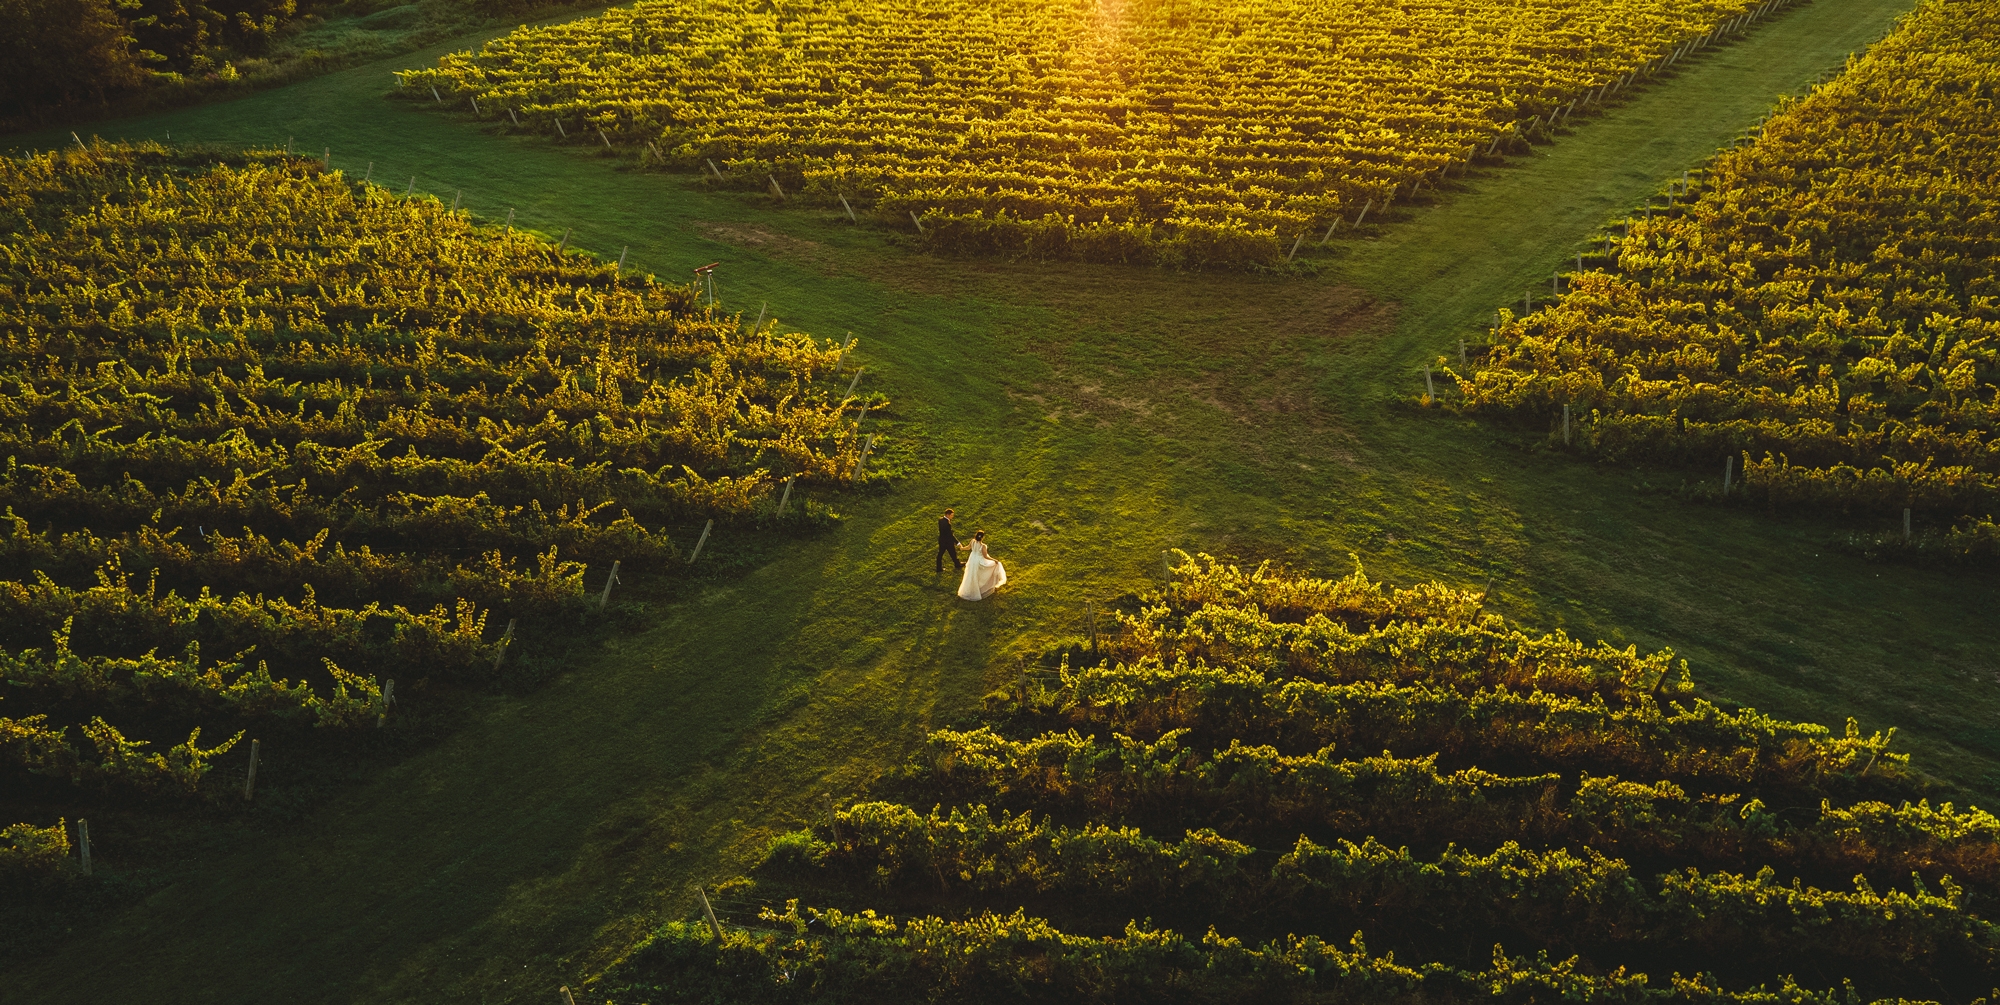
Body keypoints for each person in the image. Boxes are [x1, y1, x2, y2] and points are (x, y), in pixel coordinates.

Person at [956, 530, 1006, 601]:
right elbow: (985, 556)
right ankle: (979, 587)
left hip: (972, 560)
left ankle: (970, 588)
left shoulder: (972, 541)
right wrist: (994, 560)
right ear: (982, 538)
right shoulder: (983, 546)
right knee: (979, 573)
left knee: (971, 574)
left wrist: (962, 548)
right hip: (978, 561)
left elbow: (968, 547)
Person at [936, 508, 965, 573]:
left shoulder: (940, 520)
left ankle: (938, 568)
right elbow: (950, 535)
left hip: (942, 540)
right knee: (953, 553)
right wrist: (957, 542)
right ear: (947, 515)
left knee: (940, 554)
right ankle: (957, 564)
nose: (952, 516)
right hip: (948, 542)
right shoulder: (947, 524)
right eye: (951, 515)